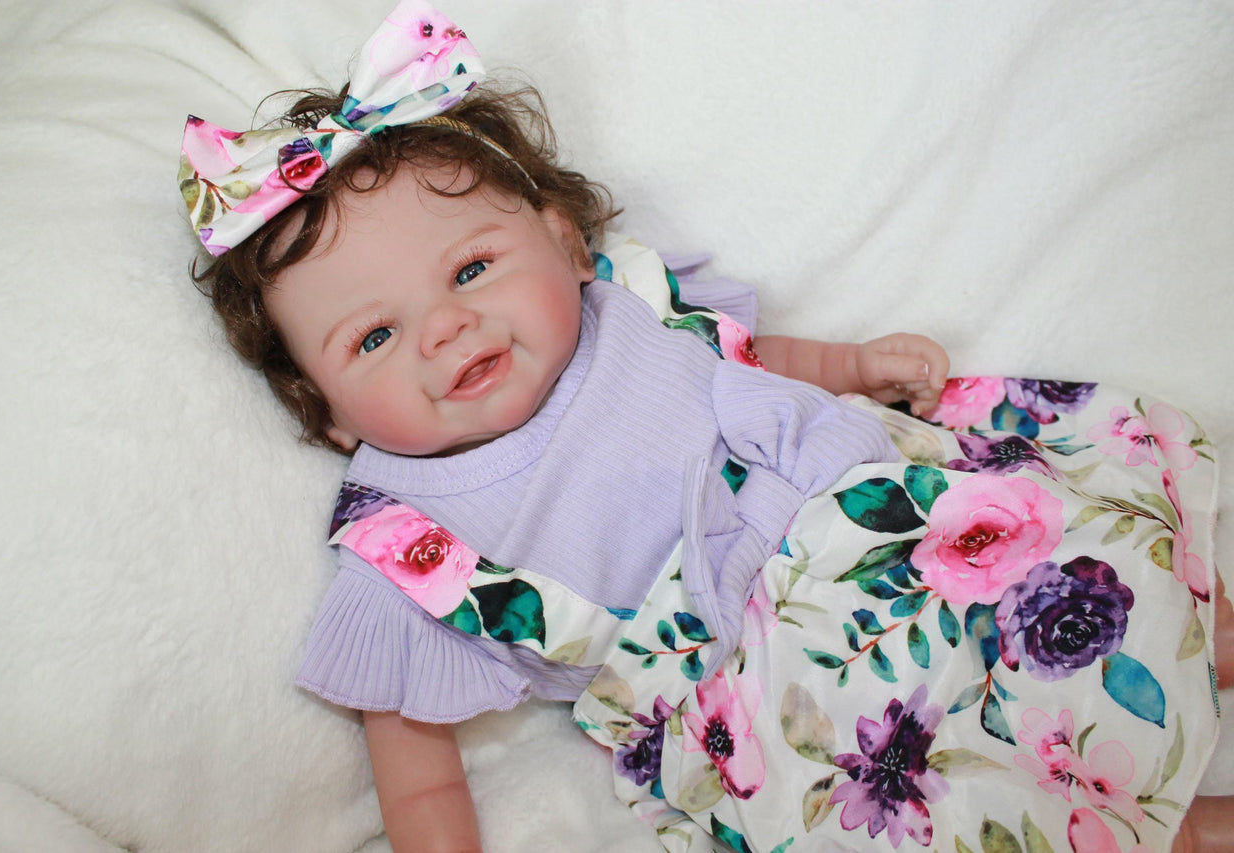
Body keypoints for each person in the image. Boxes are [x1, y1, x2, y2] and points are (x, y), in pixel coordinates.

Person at [180, 2, 1232, 851]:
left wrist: (854, 365)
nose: (444, 327)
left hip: (891, 516)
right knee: (953, 803)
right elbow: (412, 762)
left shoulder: (629, 303)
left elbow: (747, 361)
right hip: (783, 693)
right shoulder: (407, 543)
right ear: (325, 416)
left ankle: (1211, 644)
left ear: (563, 241)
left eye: (470, 268)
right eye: (374, 336)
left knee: (1080, 565)